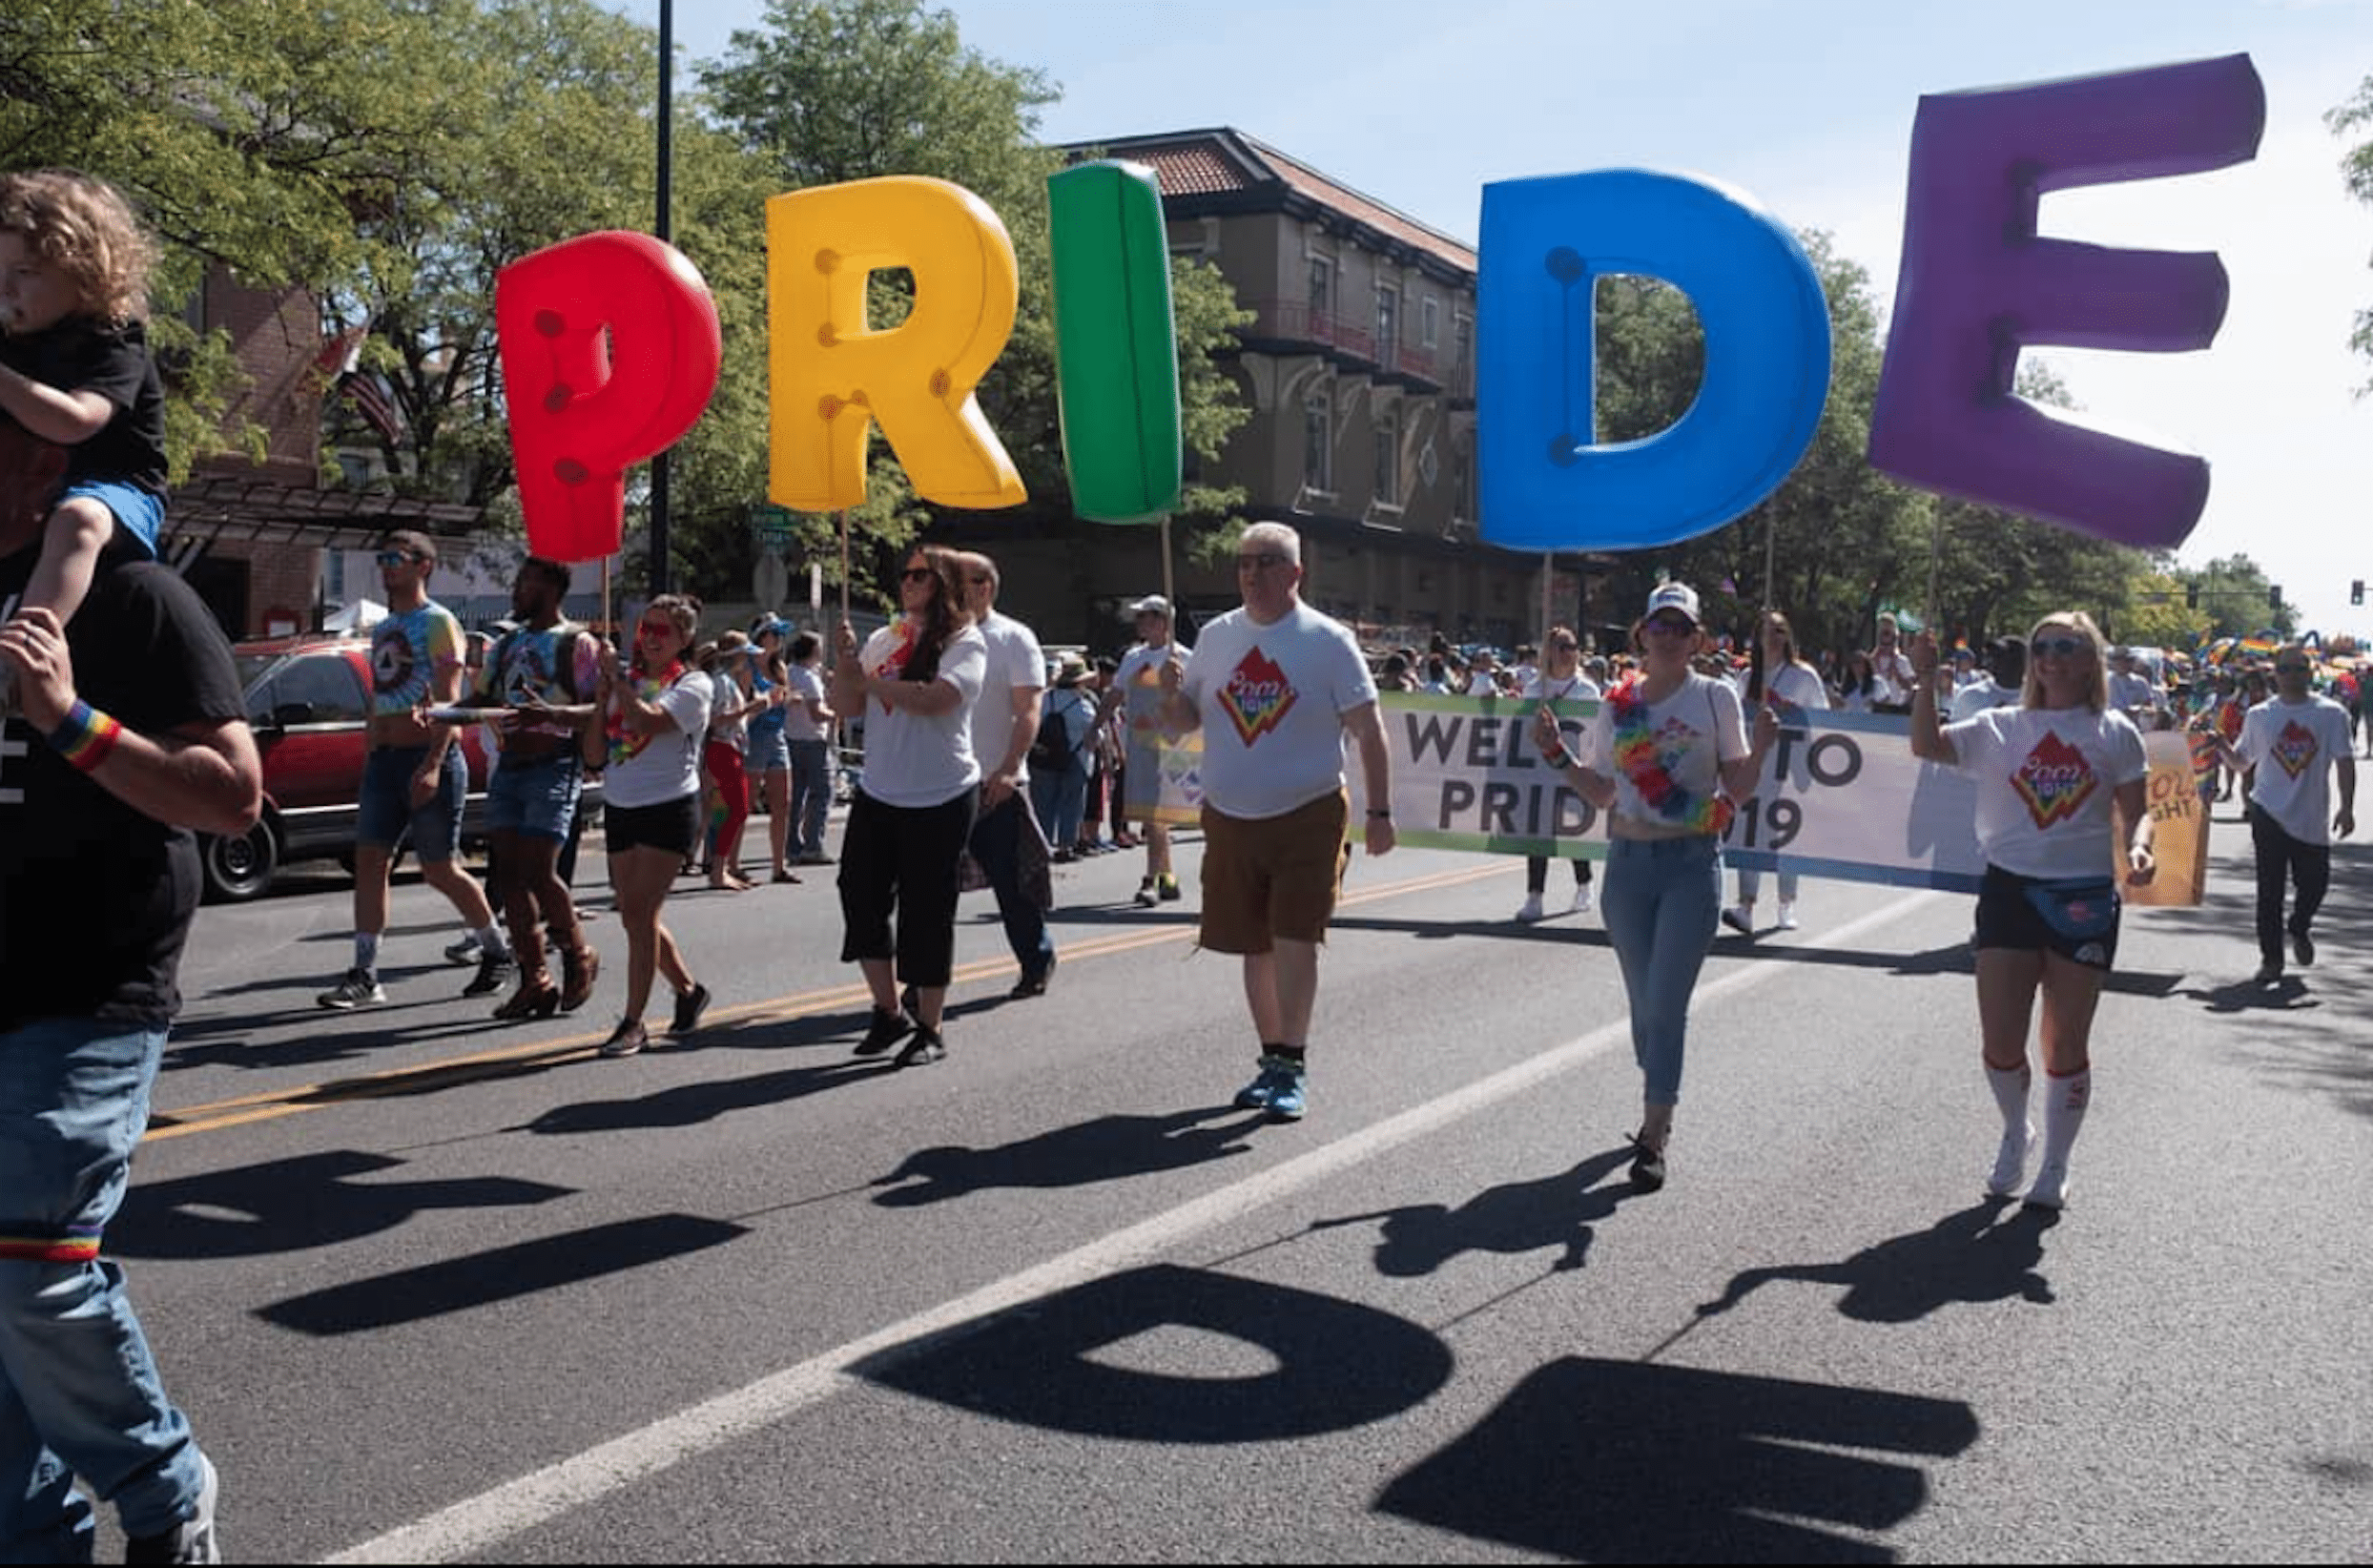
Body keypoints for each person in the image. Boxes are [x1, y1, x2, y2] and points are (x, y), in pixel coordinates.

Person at [0, 485, 260, 1561]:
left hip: (93, 986)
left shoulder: (140, 598)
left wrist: (66, 717)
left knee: (28, 1260)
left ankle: (163, 1487)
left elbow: (231, 796)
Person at [1530, 582, 1773, 1189]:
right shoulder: (1619, 705)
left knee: (1665, 1002)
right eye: (1657, 627)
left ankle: (1654, 1131)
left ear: (1697, 639)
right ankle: (1658, 1077)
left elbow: (1732, 796)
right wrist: (1558, 756)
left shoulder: (1715, 698)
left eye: (1679, 628)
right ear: (1641, 635)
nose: (1667, 637)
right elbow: (1604, 792)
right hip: (1627, 868)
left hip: (1692, 865)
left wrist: (1763, 749)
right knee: (1643, 1005)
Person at [1908, 613, 2154, 1209]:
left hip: (2084, 895)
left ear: (2091, 658)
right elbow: (1927, 745)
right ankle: (2017, 1129)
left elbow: (2136, 810)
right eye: (2041, 646)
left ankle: (2057, 1164)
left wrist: (2141, 847)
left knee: (2065, 1041)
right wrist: (1922, 681)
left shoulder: (2114, 730)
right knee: (2000, 1039)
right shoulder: (1998, 726)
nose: (2050, 657)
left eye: (2066, 645)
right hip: (2009, 891)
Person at [1156, 522, 1395, 1123]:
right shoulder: (1214, 638)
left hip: (1309, 813)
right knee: (1252, 945)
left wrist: (1381, 812)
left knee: (1294, 937)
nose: (1252, 574)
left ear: (1295, 573)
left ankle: (1293, 1064)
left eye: (1266, 563)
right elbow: (1182, 722)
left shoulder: (1326, 640)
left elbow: (1369, 728)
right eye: (1244, 563)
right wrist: (1169, 699)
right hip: (1231, 818)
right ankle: (1271, 1058)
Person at [318, 531, 515, 1008]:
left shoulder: (439, 623)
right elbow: (380, 697)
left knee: (439, 868)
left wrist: (430, 764)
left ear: (423, 566)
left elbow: (450, 702)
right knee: (370, 861)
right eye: (381, 558)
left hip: (429, 760)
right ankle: (365, 972)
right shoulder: (386, 628)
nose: (386, 567)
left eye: (396, 559)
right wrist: (370, 751)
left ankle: (496, 949)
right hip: (384, 763)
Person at [0, 171, 168, 718]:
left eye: (24, 274)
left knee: (77, 522)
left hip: (116, 487)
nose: (6, 291)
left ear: (83, 275)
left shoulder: (113, 340)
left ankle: (17, 664)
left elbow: (75, 422)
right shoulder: (17, 341)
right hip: (37, 486)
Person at [425, 557, 604, 1019]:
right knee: (507, 874)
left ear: (551, 586)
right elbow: (482, 699)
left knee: (540, 871)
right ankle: (534, 979)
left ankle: (578, 955)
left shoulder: (576, 645)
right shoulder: (508, 644)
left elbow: (601, 710)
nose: (517, 590)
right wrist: (438, 712)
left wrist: (555, 715)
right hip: (510, 766)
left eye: (525, 582)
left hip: (553, 764)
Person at [833, 545, 987, 1067]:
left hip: (941, 793)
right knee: (858, 893)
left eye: (921, 575)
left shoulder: (966, 642)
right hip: (880, 789)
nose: (909, 582)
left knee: (928, 909)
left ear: (946, 583)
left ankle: (931, 1027)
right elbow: (847, 707)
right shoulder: (884, 639)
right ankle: (888, 1010)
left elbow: (935, 699)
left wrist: (867, 681)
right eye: (905, 575)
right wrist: (846, 667)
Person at [589, 593, 714, 1058]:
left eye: (664, 631)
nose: (652, 639)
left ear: (684, 638)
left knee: (640, 916)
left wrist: (619, 683)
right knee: (631, 915)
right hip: (621, 804)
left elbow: (648, 719)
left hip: (668, 808)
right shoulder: (630, 680)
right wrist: (602, 698)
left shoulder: (694, 685)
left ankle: (633, 1022)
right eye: (647, 629)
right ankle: (687, 990)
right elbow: (594, 752)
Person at [2207, 644, 2356, 985]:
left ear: (2310, 672)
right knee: (2269, 892)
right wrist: (2221, 747)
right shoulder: (2260, 715)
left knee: (2315, 886)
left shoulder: (2331, 713)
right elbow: (2243, 762)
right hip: (2267, 812)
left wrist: (2346, 807)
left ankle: (2299, 925)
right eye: (2284, 669)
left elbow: (2345, 762)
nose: (2291, 676)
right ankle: (2271, 959)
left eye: (2298, 669)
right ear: (2275, 673)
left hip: (2310, 818)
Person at [958, 550, 1058, 998]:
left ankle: (1035, 958)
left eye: (966, 581)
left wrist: (1009, 769)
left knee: (1012, 886)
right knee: (932, 891)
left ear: (987, 587)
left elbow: (1029, 709)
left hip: (997, 782)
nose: (957, 590)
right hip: (943, 785)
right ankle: (921, 984)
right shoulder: (934, 638)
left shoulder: (1014, 638)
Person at [1723, 609, 1828, 937]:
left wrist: (1798, 715)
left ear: (1788, 638)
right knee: (1748, 833)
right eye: (1767, 630)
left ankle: (1786, 902)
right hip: (1756, 766)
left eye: (1780, 631)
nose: (1773, 637)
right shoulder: (1745, 678)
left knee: (1785, 836)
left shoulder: (1804, 676)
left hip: (1791, 767)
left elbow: (1824, 718)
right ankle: (1746, 905)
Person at [1515, 626, 1599, 922]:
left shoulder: (1587, 691)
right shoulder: (1534, 690)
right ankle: (1534, 896)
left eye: (1572, 646)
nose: (1568, 652)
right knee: (1538, 833)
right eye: (1561, 646)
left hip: (1573, 769)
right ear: (1547, 652)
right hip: (1540, 771)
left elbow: (1594, 734)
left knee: (1574, 829)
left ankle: (1584, 883)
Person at [1111, 595, 1186, 906]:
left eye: (1147, 617)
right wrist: (1094, 729)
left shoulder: (1184, 658)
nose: (1141, 622)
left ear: (1164, 621)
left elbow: (1196, 701)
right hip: (1140, 743)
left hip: (1175, 745)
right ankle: (1168, 878)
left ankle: (1150, 881)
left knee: (1156, 814)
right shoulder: (1132, 657)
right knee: (1153, 815)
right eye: (1139, 617)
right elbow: (1115, 693)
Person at [701, 629, 766, 892]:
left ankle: (720, 867)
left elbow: (733, 720)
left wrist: (754, 709)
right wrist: (751, 707)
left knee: (732, 810)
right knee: (736, 809)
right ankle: (718, 869)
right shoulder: (720, 682)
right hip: (722, 749)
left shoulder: (727, 681)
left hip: (731, 748)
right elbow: (716, 720)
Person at [744, 619, 799, 883]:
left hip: (777, 735)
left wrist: (788, 699)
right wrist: (767, 701)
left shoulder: (780, 668)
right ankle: (728, 862)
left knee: (783, 802)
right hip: (753, 736)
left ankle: (779, 866)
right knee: (744, 802)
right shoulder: (747, 667)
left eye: (780, 635)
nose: (778, 639)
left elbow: (784, 701)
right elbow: (741, 705)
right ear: (760, 636)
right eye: (773, 634)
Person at [1031, 652, 1098, 862]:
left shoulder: (1044, 699)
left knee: (1043, 803)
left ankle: (1042, 846)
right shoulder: (1082, 704)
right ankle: (1065, 846)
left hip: (1043, 758)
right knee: (1071, 803)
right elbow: (1094, 734)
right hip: (1074, 759)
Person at [781, 628, 836, 865]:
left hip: (792, 737)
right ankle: (812, 844)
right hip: (813, 741)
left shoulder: (789, 672)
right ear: (814, 651)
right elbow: (817, 714)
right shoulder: (809, 678)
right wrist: (836, 711)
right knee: (821, 793)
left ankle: (792, 844)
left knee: (796, 796)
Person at [1949, 635, 2027, 722]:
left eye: (2002, 655)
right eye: (1994, 654)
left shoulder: (2037, 699)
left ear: (2023, 663)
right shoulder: (1970, 695)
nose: (1995, 659)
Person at [1867, 613, 1916, 714]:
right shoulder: (1870, 660)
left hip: (1896, 710)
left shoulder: (1902, 661)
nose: (1885, 632)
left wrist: (1898, 676)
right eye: (1882, 629)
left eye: (1888, 631)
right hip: (1875, 710)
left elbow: (1910, 689)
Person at [1835, 650, 1880, 714]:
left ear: (1866, 664)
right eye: (1853, 662)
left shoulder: (1877, 682)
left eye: (1858, 662)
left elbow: (1884, 705)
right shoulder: (1847, 688)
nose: (1855, 665)